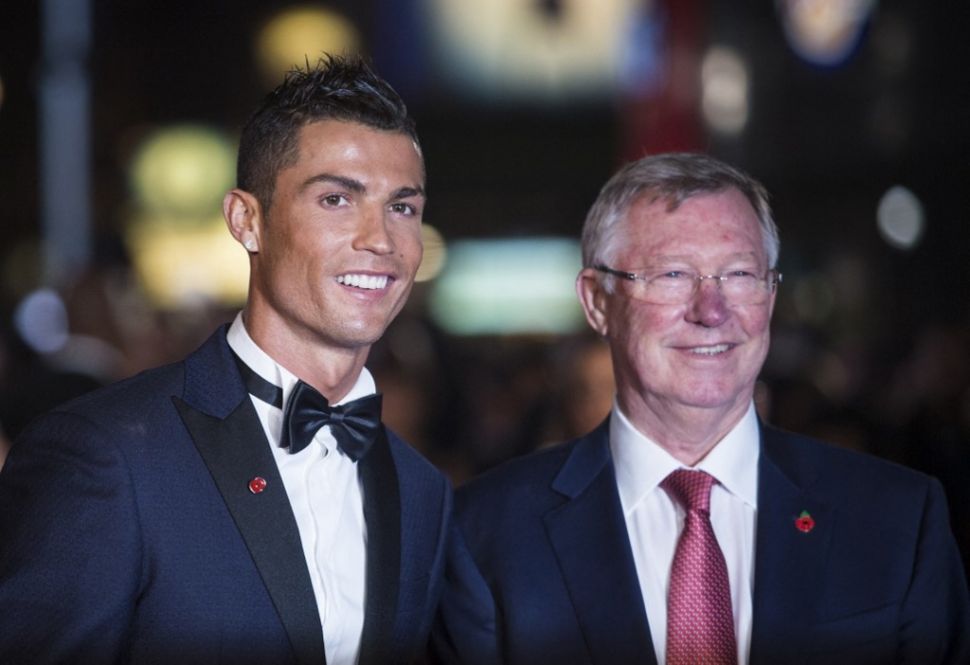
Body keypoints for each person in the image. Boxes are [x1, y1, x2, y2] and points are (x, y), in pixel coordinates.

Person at [0, 54, 451, 665]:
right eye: (336, 200)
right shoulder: (104, 455)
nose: (380, 240)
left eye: (402, 207)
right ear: (247, 220)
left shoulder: (421, 489)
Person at [433, 153, 970, 665]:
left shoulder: (897, 519)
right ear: (598, 301)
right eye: (672, 276)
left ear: (772, 294)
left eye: (739, 275)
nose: (711, 311)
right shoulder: (487, 537)